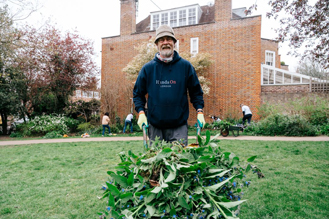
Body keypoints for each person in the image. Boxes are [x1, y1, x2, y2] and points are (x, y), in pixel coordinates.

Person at [133, 25, 205, 146]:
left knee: (179, 162)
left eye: (169, 39)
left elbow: (196, 92)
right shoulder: (148, 69)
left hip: (178, 127)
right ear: (157, 44)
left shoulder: (185, 67)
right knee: (156, 163)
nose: (165, 42)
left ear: (174, 43)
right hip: (155, 127)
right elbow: (138, 94)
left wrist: (200, 111)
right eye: (162, 40)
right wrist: (141, 112)